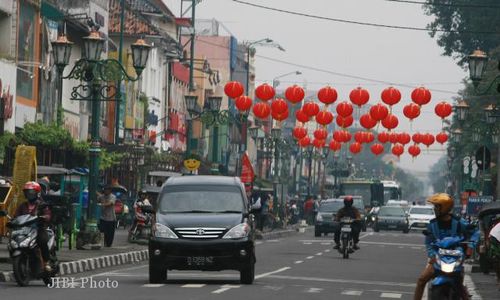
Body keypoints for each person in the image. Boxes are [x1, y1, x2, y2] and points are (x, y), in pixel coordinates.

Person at [413, 193, 470, 300]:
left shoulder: (459, 223)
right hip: (438, 259)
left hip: (455, 258)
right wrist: (432, 255)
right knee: (421, 280)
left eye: (437, 206)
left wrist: (470, 246)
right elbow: (428, 243)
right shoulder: (432, 225)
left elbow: (472, 232)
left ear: (444, 207)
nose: (434, 209)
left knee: (461, 288)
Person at [15, 181, 52, 271]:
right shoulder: (23, 205)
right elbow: (16, 216)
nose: (29, 195)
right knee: (14, 241)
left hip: (38, 229)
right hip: (24, 230)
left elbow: (48, 214)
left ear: (37, 193)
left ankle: (47, 262)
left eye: (31, 193)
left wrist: (44, 217)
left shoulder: (41, 204)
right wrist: (12, 221)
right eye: (27, 193)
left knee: (42, 240)